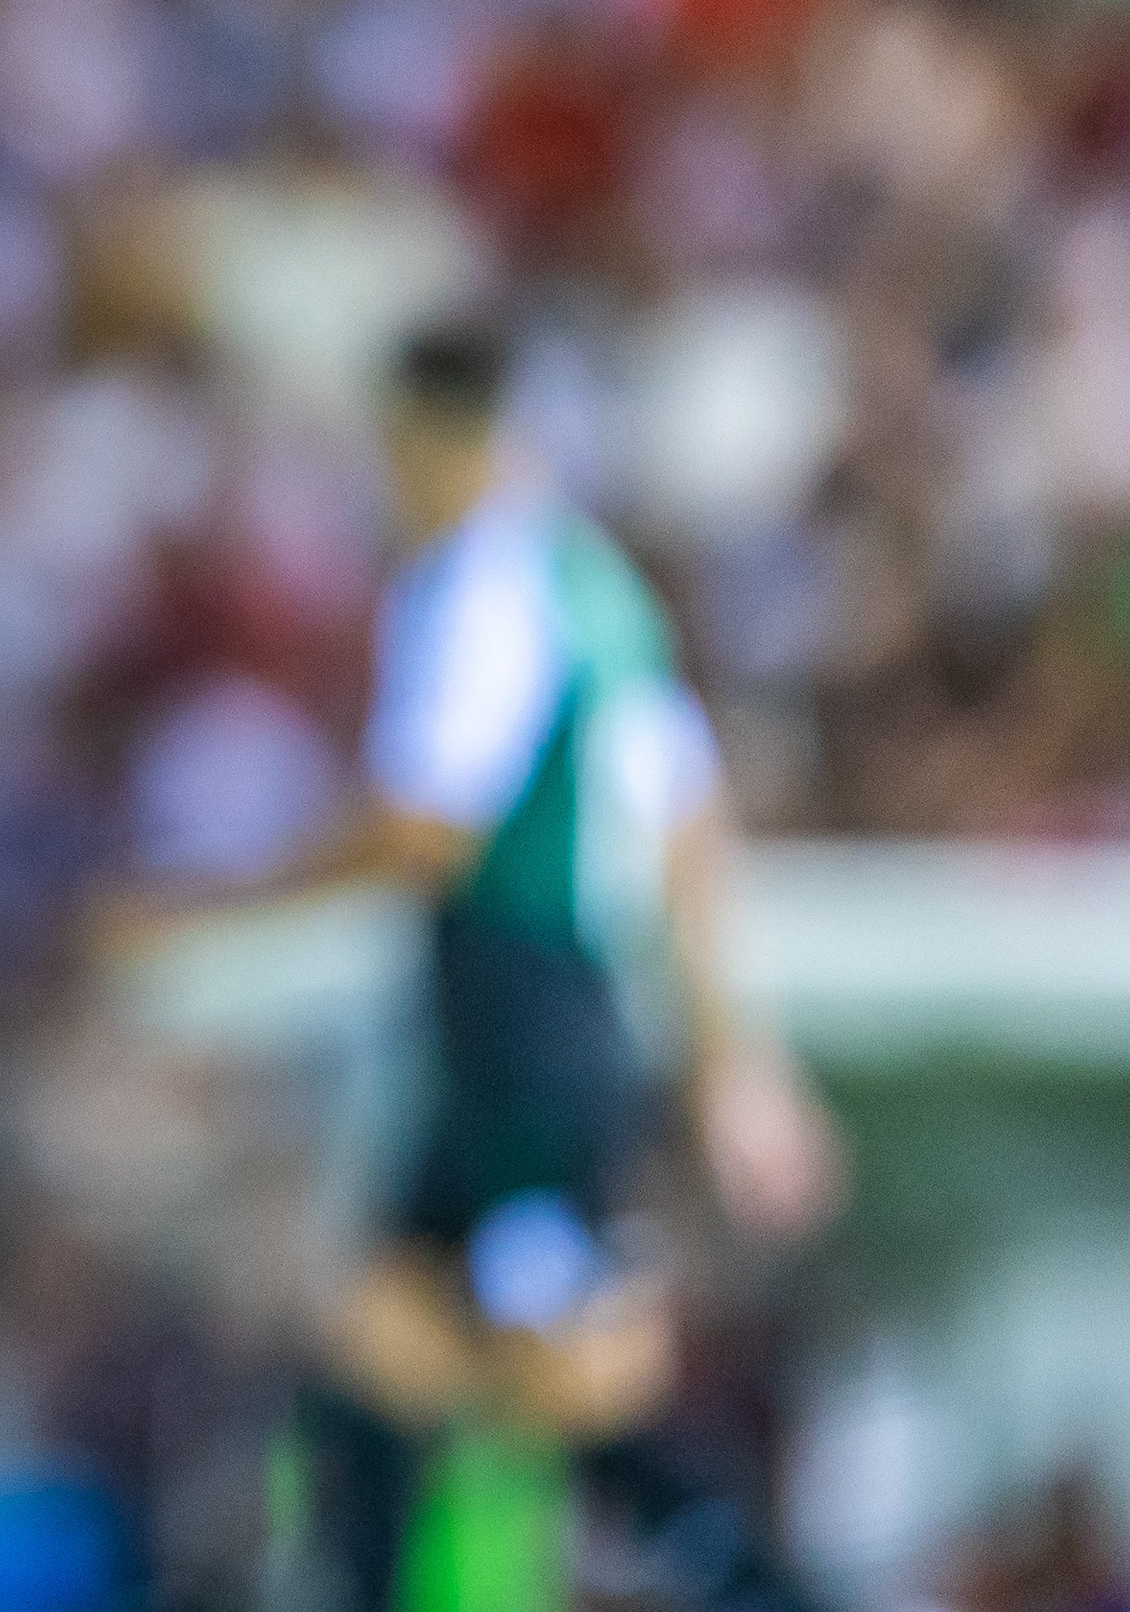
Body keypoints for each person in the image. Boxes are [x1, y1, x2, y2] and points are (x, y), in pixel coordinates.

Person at [137, 322, 842, 1612]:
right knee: (381, 1354)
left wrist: (211, 909)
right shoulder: (599, 587)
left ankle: (776, 1593)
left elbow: (426, 827)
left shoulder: (476, 586)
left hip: (518, 1033)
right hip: (541, 1028)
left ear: (429, 438)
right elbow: (689, 826)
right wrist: (734, 1056)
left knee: (571, 1386)